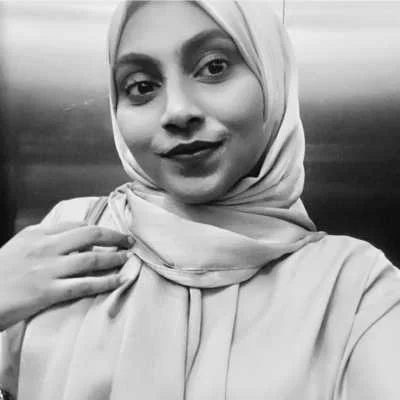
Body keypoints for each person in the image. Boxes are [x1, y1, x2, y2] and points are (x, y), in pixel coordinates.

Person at [1, 1, 400, 399]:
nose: (177, 112)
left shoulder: (355, 290)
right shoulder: (69, 237)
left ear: (272, 77)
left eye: (214, 67)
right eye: (142, 87)